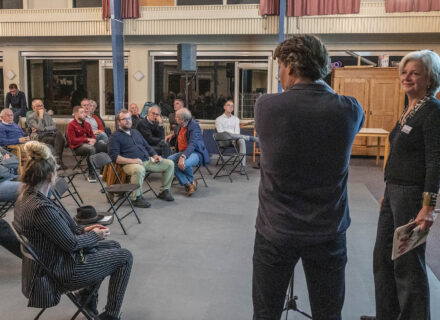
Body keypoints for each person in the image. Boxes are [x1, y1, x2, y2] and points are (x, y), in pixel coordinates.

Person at [252, 35, 364, 320]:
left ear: (290, 67)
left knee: (266, 313)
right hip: (328, 230)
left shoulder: (266, 107)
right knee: (328, 313)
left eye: (279, 67)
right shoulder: (350, 109)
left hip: (276, 230)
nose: (278, 76)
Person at [360, 50, 440, 320]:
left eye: (415, 72)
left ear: (429, 79)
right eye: (404, 72)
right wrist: (387, 192)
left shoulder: (432, 111)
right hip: (394, 192)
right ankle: (388, 314)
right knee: (382, 260)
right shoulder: (410, 109)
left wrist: (428, 207)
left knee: (408, 264)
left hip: (412, 196)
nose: (407, 77)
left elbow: (435, 162)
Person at [13, 141, 132, 320]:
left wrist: (87, 229)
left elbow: (66, 231)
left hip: (51, 260)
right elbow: (72, 244)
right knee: (125, 257)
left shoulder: (28, 197)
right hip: (60, 270)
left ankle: (86, 297)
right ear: (50, 177)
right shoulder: (40, 208)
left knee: (114, 245)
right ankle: (111, 315)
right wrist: (94, 235)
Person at [108, 109, 175, 208]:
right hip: (129, 164)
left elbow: (147, 146)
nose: (128, 121)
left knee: (170, 163)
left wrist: (155, 155)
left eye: (129, 118)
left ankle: (164, 191)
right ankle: (136, 198)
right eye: (124, 119)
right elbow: (114, 157)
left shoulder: (135, 132)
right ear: (118, 122)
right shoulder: (114, 137)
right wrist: (133, 161)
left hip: (146, 160)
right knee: (139, 169)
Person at [167, 108, 210, 196]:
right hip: (183, 151)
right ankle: (189, 183)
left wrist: (183, 157)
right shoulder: (180, 125)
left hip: (195, 152)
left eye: (177, 117)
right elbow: (180, 134)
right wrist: (172, 135)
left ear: (182, 120)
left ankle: (189, 184)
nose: (175, 118)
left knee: (184, 164)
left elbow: (193, 144)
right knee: (169, 161)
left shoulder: (194, 126)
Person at [215, 99, 258, 174]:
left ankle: (242, 166)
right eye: (229, 105)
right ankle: (249, 138)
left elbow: (237, 132)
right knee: (226, 134)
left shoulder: (236, 119)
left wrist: (234, 139)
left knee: (242, 140)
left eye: (232, 106)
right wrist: (232, 137)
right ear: (224, 107)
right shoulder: (218, 119)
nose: (231, 107)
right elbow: (221, 134)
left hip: (235, 140)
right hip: (224, 141)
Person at [67, 106, 107, 183]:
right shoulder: (71, 125)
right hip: (77, 147)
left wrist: (94, 140)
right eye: (81, 112)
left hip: (89, 144)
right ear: (76, 114)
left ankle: (103, 170)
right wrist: (87, 139)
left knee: (104, 146)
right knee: (91, 149)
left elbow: (92, 136)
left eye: (84, 112)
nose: (84, 114)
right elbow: (73, 140)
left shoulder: (87, 124)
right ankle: (91, 173)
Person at [27, 99, 66, 169]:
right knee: (60, 140)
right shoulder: (31, 117)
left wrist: (45, 129)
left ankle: (57, 160)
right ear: (33, 108)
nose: (41, 108)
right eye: (38, 106)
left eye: (42, 105)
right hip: (39, 136)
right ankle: (58, 161)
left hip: (50, 134)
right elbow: (40, 128)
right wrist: (41, 117)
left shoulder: (47, 114)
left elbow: (54, 126)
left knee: (59, 135)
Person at [0, 146, 21, 259]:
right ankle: (33, 259)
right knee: (34, 189)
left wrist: (3, 164)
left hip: (9, 177)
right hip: (3, 182)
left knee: (39, 180)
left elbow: (15, 159)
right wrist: (5, 162)